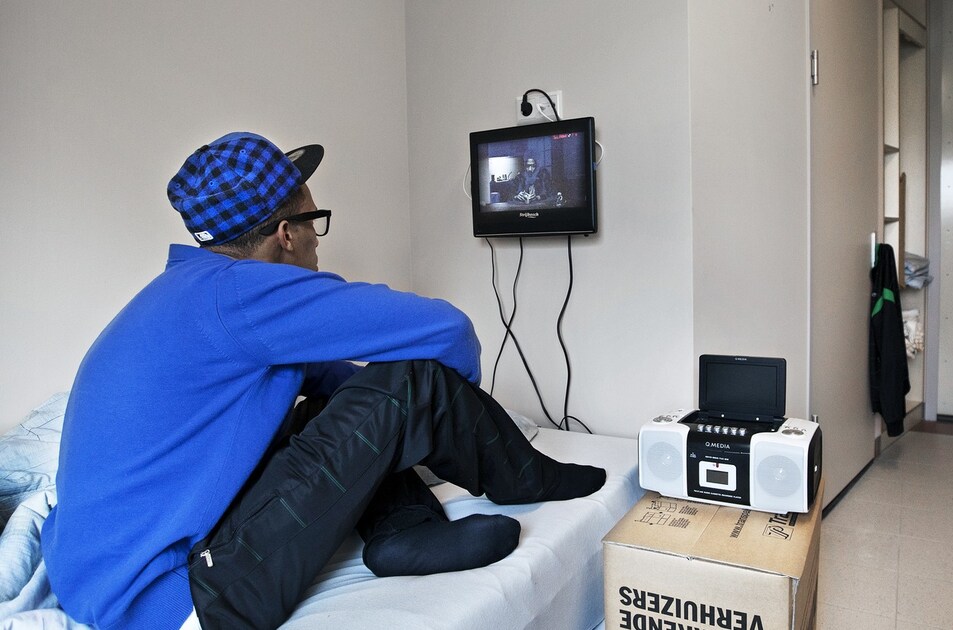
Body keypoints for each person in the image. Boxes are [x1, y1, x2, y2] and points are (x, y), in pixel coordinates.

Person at [41, 132, 606, 630]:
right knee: (410, 378)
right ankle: (523, 476)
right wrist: (449, 408)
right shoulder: (239, 295)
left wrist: (409, 427)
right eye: (315, 220)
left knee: (335, 404)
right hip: (176, 599)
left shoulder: (191, 297)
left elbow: (344, 391)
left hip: (101, 580)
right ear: (286, 234)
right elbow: (449, 332)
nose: (320, 237)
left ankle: (401, 529)